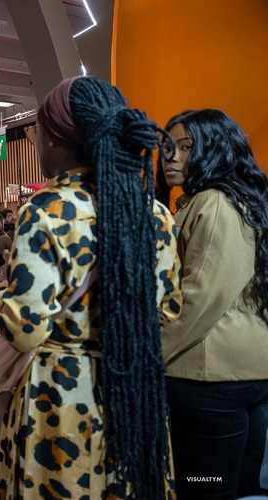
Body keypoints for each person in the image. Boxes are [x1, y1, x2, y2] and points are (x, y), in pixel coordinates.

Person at [0, 76, 183, 498]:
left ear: (57, 141)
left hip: (59, 397)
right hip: (135, 390)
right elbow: (167, 309)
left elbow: (25, 328)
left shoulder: (46, 210)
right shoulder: (153, 212)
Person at [158, 109, 268, 499]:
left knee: (202, 488)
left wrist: (151, 354)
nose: (172, 157)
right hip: (239, 373)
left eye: (186, 148)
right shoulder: (234, 199)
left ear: (215, 149)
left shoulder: (213, 202)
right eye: (168, 147)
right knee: (236, 488)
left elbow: (200, 297)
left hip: (208, 377)